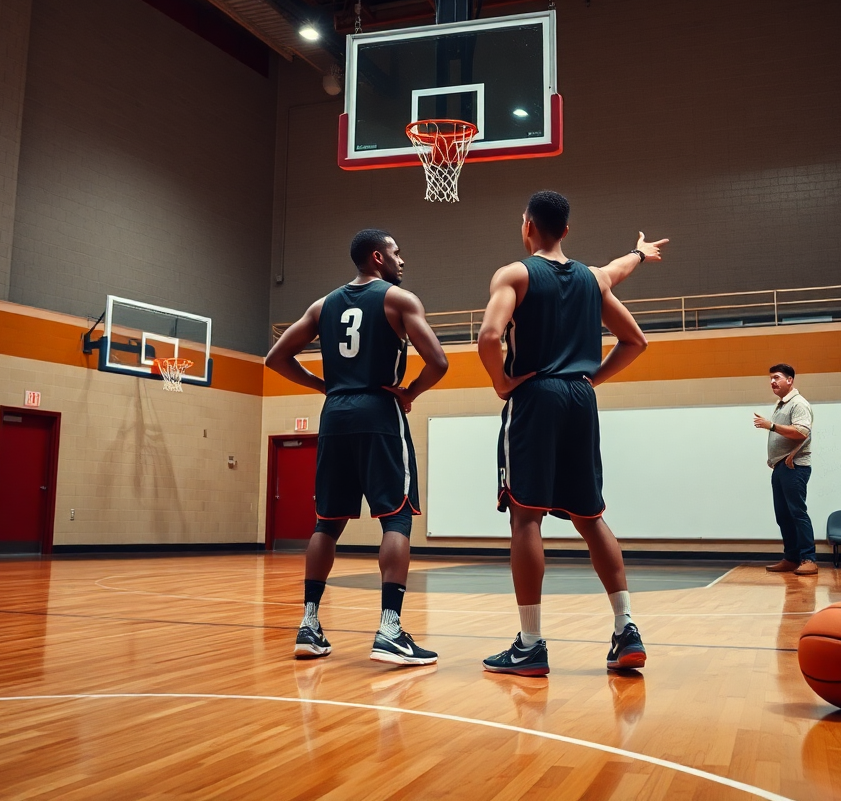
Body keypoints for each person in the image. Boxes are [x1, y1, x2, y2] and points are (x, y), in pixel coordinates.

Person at [477, 190, 668, 676]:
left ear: (527, 227)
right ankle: (626, 629)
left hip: (535, 396)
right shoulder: (592, 279)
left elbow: (488, 337)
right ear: (566, 230)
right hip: (581, 399)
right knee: (591, 516)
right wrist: (641, 254)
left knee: (526, 519)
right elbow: (635, 339)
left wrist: (502, 383)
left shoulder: (514, 274)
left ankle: (531, 643)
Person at [265, 229, 449, 666]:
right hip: (379, 409)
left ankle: (309, 625)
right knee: (396, 518)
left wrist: (321, 385)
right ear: (376, 257)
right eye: (395, 253)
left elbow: (275, 358)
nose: (402, 261)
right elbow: (439, 361)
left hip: (335, 414)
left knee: (326, 522)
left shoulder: (321, 305)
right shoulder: (399, 301)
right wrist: (410, 393)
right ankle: (389, 630)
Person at [753, 364, 816, 575]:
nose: (772, 381)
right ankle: (791, 558)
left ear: (790, 380)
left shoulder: (798, 404)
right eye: (771, 378)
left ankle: (809, 559)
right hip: (781, 466)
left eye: (777, 377)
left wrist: (771, 426)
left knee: (797, 513)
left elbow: (802, 432)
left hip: (794, 467)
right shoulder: (781, 404)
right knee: (783, 515)